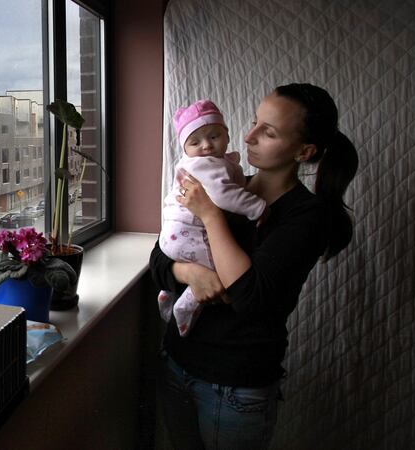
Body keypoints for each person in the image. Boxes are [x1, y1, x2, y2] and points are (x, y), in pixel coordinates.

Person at [150, 83, 358, 449]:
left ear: (304, 150)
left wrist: (211, 216)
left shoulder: (305, 217)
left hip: (236, 387)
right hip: (177, 365)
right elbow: (160, 257)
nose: (249, 136)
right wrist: (191, 273)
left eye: (269, 131)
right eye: (253, 122)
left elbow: (249, 297)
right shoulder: (226, 184)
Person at [158, 99, 266, 337]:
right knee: (216, 268)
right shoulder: (206, 167)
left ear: (226, 135)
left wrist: (181, 273)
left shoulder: (303, 213)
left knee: (213, 266)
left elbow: (248, 294)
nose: (206, 146)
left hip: (176, 238)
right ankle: (185, 304)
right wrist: (258, 208)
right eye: (195, 142)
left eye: (214, 136)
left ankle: (169, 293)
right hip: (182, 235)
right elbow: (223, 194)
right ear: (185, 148)